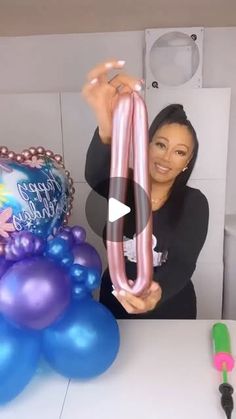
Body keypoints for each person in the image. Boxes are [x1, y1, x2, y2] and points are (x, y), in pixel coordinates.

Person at [82, 59, 209, 319]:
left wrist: (157, 294)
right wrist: (108, 128)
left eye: (180, 152)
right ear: (146, 143)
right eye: (161, 145)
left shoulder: (193, 202)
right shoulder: (123, 185)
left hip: (171, 307)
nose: (166, 158)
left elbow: (183, 263)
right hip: (116, 302)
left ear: (187, 163)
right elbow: (95, 175)